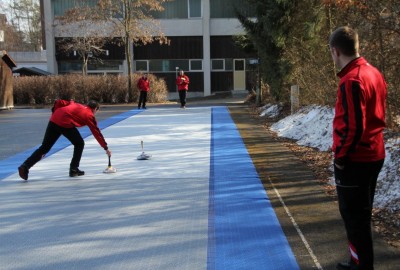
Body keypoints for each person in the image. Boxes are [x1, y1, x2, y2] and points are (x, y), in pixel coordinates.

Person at [329, 26, 387, 270]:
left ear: (336, 51)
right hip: (374, 153)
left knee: (355, 218)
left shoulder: (352, 80)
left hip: (357, 159)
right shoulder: (373, 72)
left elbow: (354, 126)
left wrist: (341, 157)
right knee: (359, 216)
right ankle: (357, 261)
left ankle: (362, 265)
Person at [18, 99, 112, 180]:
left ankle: (25, 166)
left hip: (54, 119)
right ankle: (73, 169)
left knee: (45, 147)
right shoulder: (89, 115)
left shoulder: (76, 104)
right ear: (95, 109)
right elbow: (96, 132)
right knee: (79, 143)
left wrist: (54, 111)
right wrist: (105, 148)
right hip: (65, 123)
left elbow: (60, 102)